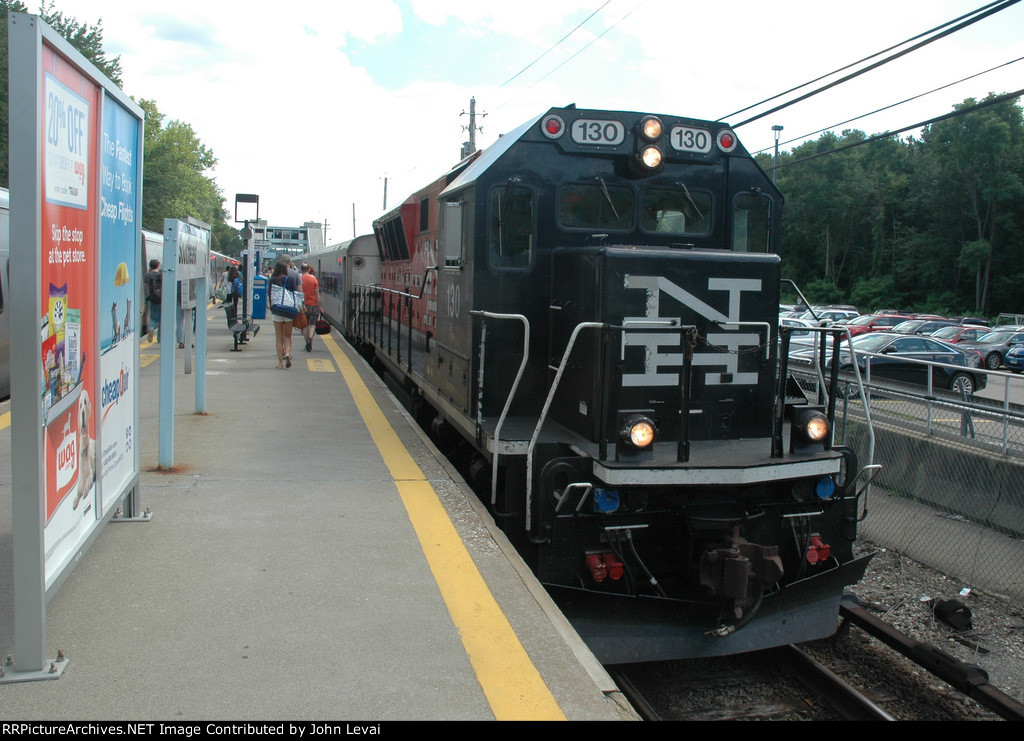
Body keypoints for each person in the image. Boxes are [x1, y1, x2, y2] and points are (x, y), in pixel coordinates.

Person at [269, 258, 301, 369]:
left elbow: (270, 295)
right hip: (288, 310)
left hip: (277, 310)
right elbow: (295, 294)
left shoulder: (272, 280)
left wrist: (271, 308)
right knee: (288, 336)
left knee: (279, 337)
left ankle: (280, 363)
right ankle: (287, 354)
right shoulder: (291, 279)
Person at [300, 263, 320, 352]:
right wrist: (320, 305)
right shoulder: (314, 279)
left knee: (305, 325)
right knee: (312, 324)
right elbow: (317, 293)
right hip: (313, 305)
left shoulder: (299, 279)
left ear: (301, 270)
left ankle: (306, 342)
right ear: (308, 270)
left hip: (303, 305)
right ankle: (310, 337)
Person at [144, 259, 162, 342]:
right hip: (161, 299)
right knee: (162, 318)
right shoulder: (161, 275)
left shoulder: (147, 275)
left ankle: (151, 328)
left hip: (152, 299)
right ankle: (160, 338)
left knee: (153, 317)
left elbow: (146, 286)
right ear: (158, 266)